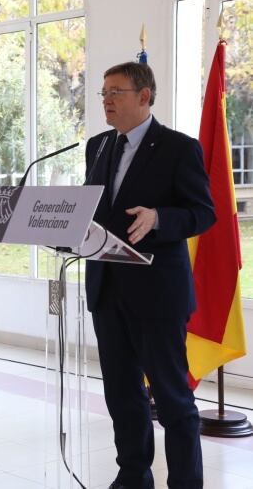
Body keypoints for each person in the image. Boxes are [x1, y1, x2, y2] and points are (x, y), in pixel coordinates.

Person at [84, 62, 216, 489]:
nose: (106, 99)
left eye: (115, 92)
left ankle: (185, 483)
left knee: (173, 400)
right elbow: (94, 208)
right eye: (103, 92)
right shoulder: (98, 146)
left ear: (144, 96)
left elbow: (203, 213)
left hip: (158, 293)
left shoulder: (179, 148)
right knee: (122, 396)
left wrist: (159, 218)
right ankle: (133, 477)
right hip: (107, 289)